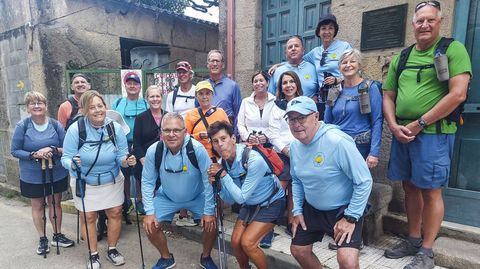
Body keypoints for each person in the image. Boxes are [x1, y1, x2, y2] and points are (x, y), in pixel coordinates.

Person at [382, 2, 472, 269]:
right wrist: (393, 125)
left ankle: (427, 250)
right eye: (420, 21)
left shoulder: (452, 49)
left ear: (439, 21)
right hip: (403, 134)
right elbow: (388, 95)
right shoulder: (404, 56)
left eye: (430, 20)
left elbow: (458, 94)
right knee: (409, 186)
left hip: (433, 133)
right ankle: (412, 238)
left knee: (431, 190)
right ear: (413, 24)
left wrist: (420, 123)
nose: (424, 25)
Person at [286, 96, 372, 269]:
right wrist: (297, 210)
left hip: (344, 208)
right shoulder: (295, 147)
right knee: (298, 250)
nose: (296, 124)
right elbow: (296, 180)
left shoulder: (338, 141)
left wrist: (351, 217)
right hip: (312, 206)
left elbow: (364, 181)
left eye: (301, 118)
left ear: (316, 116)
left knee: (347, 261)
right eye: (291, 119)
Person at [62, 90, 136, 269]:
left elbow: (121, 155)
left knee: (115, 213)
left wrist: (126, 161)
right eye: (92, 107)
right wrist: (72, 163)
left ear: (105, 107)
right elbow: (65, 157)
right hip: (85, 182)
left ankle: (112, 249)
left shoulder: (114, 127)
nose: (97, 110)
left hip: (111, 179)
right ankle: (93, 254)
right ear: (85, 110)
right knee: (88, 217)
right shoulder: (76, 129)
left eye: (100, 106)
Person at [141, 112, 218, 269]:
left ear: (185, 131)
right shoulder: (154, 151)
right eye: (167, 130)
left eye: (176, 130)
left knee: (212, 224)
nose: (171, 134)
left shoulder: (197, 149)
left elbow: (208, 180)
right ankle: (166, 258)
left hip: (197, 196)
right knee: (149, 226)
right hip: (167, 197)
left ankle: (206, 256)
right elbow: (147, 181)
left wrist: (209, 211)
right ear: (161, 133)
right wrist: (149, 212)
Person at [207, 121, 286, 269]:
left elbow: (240, 198)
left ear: (233, 139)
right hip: (250, 203)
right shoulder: (221, 162)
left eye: (223, 139)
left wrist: (223, 175)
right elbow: (230, 199)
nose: (220, 144)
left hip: (271, 202)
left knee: (248, 243)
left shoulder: (253, 159)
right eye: (215, 141)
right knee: (236, 242)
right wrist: (217, 185)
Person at [11, 91, 75, 256]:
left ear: (46, 106)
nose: (37, 106)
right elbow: (15, 150)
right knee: (38, 205)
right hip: (32, 175)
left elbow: (67, 147)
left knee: (55, 203)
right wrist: (34, 154)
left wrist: (52, 149)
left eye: (40, 103)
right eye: (33, 103)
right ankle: (42, 238)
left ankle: (57, 235)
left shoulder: (55, 125)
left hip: (56, 172)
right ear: (28, 107)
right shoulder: (22, 126)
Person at [324, 49, 383, 165]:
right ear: (339, 67)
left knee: (359, 182)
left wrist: (374, 153)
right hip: (337, 146)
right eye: (344, 62)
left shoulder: (369, 87)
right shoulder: (334, 90)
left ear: (359, 65)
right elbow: (327, 122)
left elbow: (377, 121)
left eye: (352, 61)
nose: (348, 65)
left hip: (360, 148)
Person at [268, 71, 303, 237]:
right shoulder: (275, 106)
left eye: (291, 81)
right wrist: (286, 150)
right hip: (282, 153)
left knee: (295, 191)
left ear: (297, 84)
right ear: (280, 87)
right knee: (278, 190)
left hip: (301, 151)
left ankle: (292, 222)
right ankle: (267, 224)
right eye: (284, 83)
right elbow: (272, 133)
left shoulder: (304, 103)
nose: (288, 85)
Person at [112, 71, 148, 217]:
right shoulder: (118, 102)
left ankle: (140, 200)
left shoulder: (145, 103)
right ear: (125, 85)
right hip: (122, 143)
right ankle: (126, 200)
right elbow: (112, 120)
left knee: (141, 173)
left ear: (140, 86)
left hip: (141, 143)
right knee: (124, 173)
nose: (132, 86)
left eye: (135, 83)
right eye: (129, 83)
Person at [304, 14, 352, 117]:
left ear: (335, 31)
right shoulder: (315, 52)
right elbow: (299, 61)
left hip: (341, 96)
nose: (327, 32)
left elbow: (355, 69)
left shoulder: (344, 47)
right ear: (319, 32)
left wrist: (339, 79)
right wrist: (280, 64)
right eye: (323, 28)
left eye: (330, 28)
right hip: (323, 99)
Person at [133, 85, 164, 215]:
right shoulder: (141, 118)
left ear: (162, 98)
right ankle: (145, 207)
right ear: (147, 99)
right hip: (145, 159)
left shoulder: (168, 116)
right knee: (147, 186)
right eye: (152, 96)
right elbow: (137, 142)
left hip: (164, 159)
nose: (155, 99)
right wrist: (143, 160)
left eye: (157, 96)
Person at [185, 80, 230, 158]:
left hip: (219, 157)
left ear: (212, 95)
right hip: (198, 157)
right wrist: (198, 136)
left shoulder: (221, 112)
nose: (204, 97)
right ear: (196, 96)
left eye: (207, 93)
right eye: (201, 94)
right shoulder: (190, 115)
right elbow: (184, 139)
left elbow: (229, 134)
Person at [206, 49, 242, 130]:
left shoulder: (233, 86)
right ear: (208, 64)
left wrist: (235, 135)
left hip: (226, 129)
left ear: (222, 65)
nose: (215, 64)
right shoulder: (203, 86)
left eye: (217, 61)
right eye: (212, 61)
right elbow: (197, 109)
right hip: (206, 128)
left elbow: (238, 113)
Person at [237, 71, 276, 143]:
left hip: (271, 145)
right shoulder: (245, 102)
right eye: (255, 81)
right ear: (252, 85)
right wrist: (247, 136)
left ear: (267, 83)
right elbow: (240, 124)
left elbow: (278, 124)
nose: (258, 83)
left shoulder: (275, 101)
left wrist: (267, 137)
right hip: (250, 144)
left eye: (261, 80)